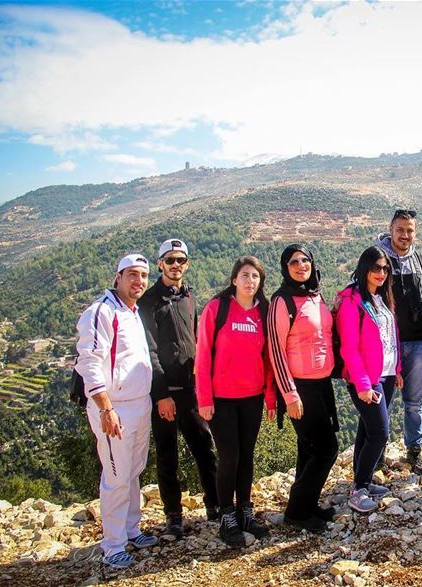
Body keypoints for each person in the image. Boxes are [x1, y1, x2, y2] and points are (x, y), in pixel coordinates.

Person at [75, 254, 158, 570]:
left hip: (140, 403)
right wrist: (105, 408)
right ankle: (112, 546)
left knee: (134, 470)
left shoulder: (132, 312)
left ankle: (131, 529)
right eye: (132, 275)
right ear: (118, 276)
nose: (139, 281)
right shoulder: (101, 311)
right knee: (115, 476)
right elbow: (89, 362)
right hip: (116, 408)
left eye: (143, 276)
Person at [139, 239, 218, 539]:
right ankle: (173, 515)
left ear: (187, 264)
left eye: (181, 260)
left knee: (205, 449)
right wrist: (161, 395)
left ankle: (215, 504)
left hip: (192, 389)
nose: (175, 265)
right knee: (167, 456)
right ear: (159, 264)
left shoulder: (189, 297)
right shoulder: (148, 303)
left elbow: (197, 339)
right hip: (165, 392)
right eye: (170, 260)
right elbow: (150, 351)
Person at [195, 256, 275, 546]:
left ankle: (245, 510)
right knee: (229, 456)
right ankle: (226, 514)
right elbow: (203, 355)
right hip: (221, 399)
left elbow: (267, 360)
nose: (250, 281)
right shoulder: (217, 309)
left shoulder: (263, 312)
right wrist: (204, 398)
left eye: (255, 276)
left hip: (252, 397)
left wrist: (269, 396)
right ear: (234, 279)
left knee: (247, 455)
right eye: (245, 275)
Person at [267, 244, 339, 533]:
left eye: (305, 260)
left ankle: (307, 505)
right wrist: (289, 394)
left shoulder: (314, 295)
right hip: (299, 388)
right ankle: (297, 511)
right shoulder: (282, 301)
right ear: (285, 268)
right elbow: (276, 350)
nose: (300, 265)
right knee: (326, 449)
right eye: (293, 262)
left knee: (309, 450)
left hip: (321, 384)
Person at [335, 246, 403, 513]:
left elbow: (389, 339)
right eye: (376, 268)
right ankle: (359, 489)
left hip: (385, 375)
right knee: (379, 433)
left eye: (386, 269)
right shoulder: (353, 301)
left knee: (367, 429)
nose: (381, 273)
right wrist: (363, 385)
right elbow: (349, 348)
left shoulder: (381, 298)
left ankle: (361, 481)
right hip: (365, 378)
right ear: (364, 268)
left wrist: (396, 369)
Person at [376, 209, 422, 477]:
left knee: (413, 402)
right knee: (381, 401)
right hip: (384, 345)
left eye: (410, 230)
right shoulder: (378, 259)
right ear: (390, 229)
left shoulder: (420, 260)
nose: (405, 235)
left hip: (415, 340)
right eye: (400, 229)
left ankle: (414, 451)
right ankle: (376, 453)